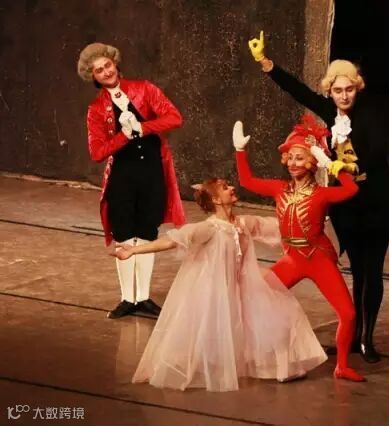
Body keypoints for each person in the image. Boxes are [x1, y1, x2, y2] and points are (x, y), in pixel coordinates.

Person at [247, 31, 389, 363]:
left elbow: (379, 151)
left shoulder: (370, 114)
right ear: (330, 91)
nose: (344, 95)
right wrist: (266, 63)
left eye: (349, 89)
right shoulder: (331, 111)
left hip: (375, 202)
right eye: (338, 90)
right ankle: (354, 331)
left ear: (357, 88)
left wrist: (347, 165)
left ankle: (367, 338)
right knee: (358, 270)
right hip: (348, 205)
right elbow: (298, 91)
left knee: (373, 271)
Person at [112, 178, 327, 391]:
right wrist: (133, 250)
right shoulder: (209, 228)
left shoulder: (243, 223)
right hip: (218, 290)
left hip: (246, 285)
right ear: (216, 199)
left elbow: (278, 226)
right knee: (214, 333)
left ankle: (283, 369)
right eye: (225, 188)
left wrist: (311, 217)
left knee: (283, 315)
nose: (232, 188)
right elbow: (171, 241)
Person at [234, 116, 365, 381]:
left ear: (311, 162)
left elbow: (351, 190)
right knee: (253, 298)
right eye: (291, 158)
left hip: (317, 258)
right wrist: (239, 151)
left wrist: (331, 165)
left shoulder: (321, 194)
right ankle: (256, 356)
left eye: (300, 158)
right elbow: (247, 181)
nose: (294, 163)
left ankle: (341, 366)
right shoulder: (280, 189)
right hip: (292, 260)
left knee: (348, 314)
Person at [77, 42, 185, 319]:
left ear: (115, 63)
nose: (106, 72)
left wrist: (142, 127)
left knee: (147, 232)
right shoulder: (96, 109)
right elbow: (97, 152)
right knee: (124, 234)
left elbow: (174, 117)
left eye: (107, 65)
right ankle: (128, 298)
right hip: (123, 177)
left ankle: (143, 297)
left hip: (151, 172)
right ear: (93, 77)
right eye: (99, 70)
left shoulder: (144, 89)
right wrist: (123, 136)